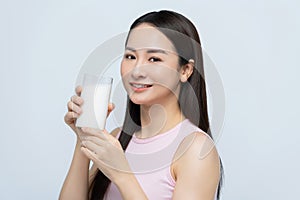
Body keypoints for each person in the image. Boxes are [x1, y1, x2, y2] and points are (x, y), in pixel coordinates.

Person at [59, 10, 223, 200]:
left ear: (185, 70)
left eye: (154, 59)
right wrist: (85, 138)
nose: (137, 70)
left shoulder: (196, 149)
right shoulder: (117, 139)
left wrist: (121, 174)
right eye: (130, 56)